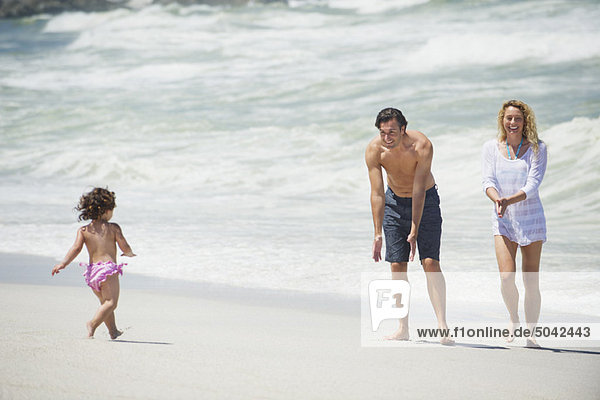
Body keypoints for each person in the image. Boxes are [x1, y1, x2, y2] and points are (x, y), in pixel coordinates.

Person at [365, 107, 452, 345]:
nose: (387, 137)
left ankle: (442, 325)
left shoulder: (422, 145)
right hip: (394, 203)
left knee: (430, 263)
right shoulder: (375, 150)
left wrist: (414, 229)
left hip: (426, 200)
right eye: (383, 133)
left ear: (403, 129)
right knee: (396, 265)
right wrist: (376, 234)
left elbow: (418, 190)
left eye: (392, 132)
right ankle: (402, 327)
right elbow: (377, 193)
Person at [482, 99, 547, 347]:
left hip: (531, 220)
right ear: (502, 120)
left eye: (517, 118)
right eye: (508, 118)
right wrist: (498, 199)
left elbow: (532, 185)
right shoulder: (491, 147)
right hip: (503, 219)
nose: (512, 123)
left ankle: (531, 333)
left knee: (531, 280)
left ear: (525, 121)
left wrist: (509, 199)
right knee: (507, 276)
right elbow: (487, 181)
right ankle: (513, 319)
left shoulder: (538, 149)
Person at [52, 187, 136, 339]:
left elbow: (76, 248)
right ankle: (92, 324)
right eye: (112, 209)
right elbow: (124, 246)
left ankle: (113, 331)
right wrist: (129, 253)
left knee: (105, 303)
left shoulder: (83, 230)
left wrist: (63, 263)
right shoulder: (113, 228)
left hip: (92, 273)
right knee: (111, 303)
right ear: (106, 210)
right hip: (107, 270)